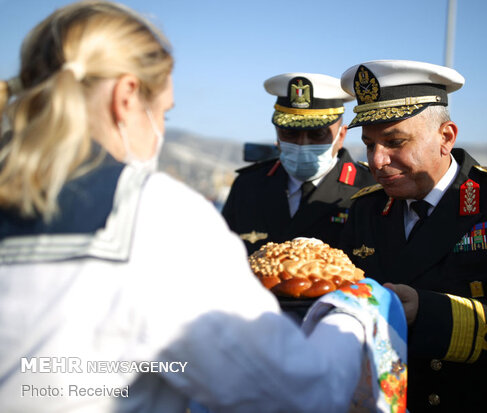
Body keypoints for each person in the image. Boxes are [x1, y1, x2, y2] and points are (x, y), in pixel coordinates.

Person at [0, 3, 406, 412]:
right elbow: (295, 390)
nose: (159, 129)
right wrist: (357, 309)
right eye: (164, 113)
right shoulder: (159, 214)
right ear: (125, 97)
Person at [339, 60, 487, 412]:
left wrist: (429, 312)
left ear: (446, 137)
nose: (376, 160)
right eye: (369, 144)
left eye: (394, 142)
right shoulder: (366, 209)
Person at [222, 72, 375, 255]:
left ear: (341, 136)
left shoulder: (369, 189)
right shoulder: (248, 186)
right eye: (290, 133)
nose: (302, 144)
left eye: (317, 134)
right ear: (277, 133)